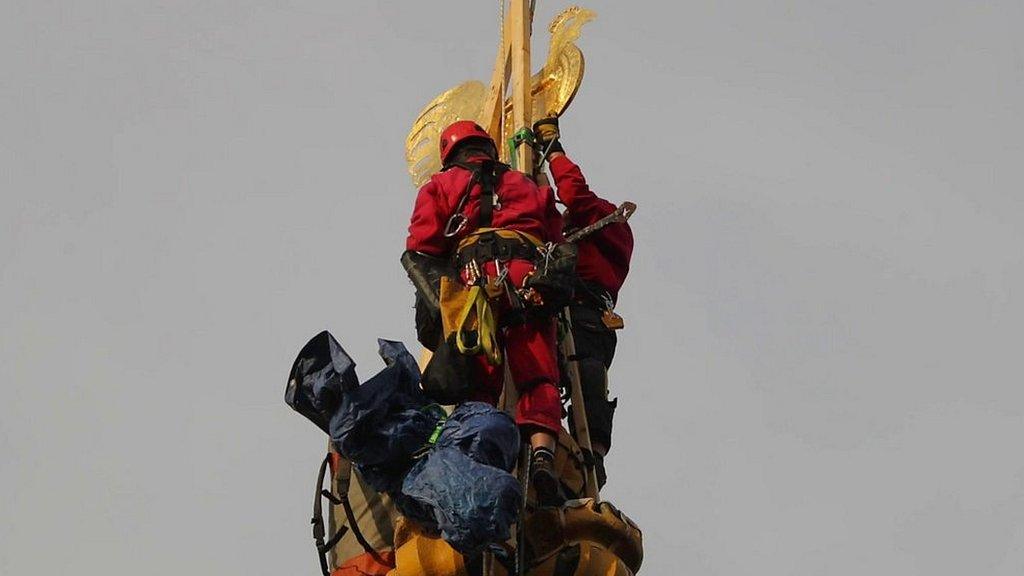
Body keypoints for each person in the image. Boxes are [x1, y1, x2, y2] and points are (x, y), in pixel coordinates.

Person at [405, 120, 566, 505]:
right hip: (527, 283)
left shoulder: (440, 186)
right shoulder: (528, 186)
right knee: (539, 375)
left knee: (478, 383)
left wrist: (441, 306)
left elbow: (420, 248)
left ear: (449, 155)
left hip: (474, 286)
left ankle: (480, 459)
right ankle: (542, 454)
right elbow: (556, 237)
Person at [533, 117, 634, 488]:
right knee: (538, 376)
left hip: (586, 315)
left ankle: (591, 457)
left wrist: (553, 150)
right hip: (558, 310)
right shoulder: (568, 233)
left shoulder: (610, 223)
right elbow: (546, 213)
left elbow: (574, 193)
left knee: (586, 376)